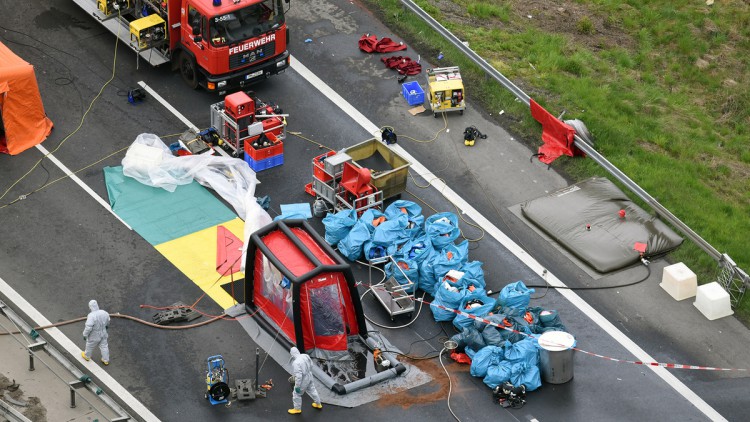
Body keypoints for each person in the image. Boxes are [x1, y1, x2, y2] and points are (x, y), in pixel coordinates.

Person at [288, 346, 322, 415]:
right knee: (312, 389)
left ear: (292, 354)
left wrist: (297, 386)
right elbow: (311, 365)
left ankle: (297, 409)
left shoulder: (296, 363)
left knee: (296, 394)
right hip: (309, 374)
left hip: (304, 379)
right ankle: (318, 403)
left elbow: (299, 376)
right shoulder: (305, 355)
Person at [81, 300, 110, 366]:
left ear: (90, 307)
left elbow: (88, 327)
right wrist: (106, 326)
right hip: (103, 332)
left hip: (95, 334)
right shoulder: (104, 312)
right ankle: (106, 360)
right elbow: (108, 321)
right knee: (104, 346)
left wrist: (85, 335)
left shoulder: (91, 315)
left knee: (90, 345)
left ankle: (87, 356)